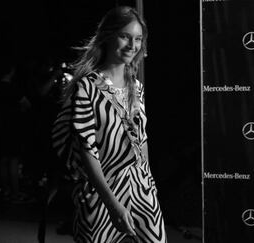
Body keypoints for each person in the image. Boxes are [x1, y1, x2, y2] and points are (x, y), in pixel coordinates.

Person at [52, 6, 167, 243]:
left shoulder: (136, 88)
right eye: (124, 36)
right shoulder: (87, 88)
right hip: (100, 193)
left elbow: (141, 142)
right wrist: (112, 205)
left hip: (141, 188)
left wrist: (150, 186)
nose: (132, 45)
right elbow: (88, 152)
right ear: (108, 35)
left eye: (137, 39)